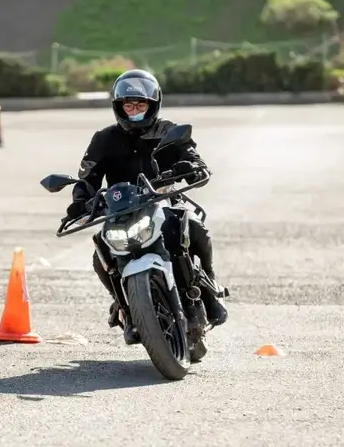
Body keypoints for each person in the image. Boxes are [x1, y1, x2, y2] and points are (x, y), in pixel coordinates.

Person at [64, 69, 228, 345]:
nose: (135, 110)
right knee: (101, 253)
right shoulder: (104, 139)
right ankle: (125, 308)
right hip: (122, 210)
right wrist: (80, 201)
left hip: (164, 201)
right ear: (119, 107)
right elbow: (87, 176)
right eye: (129, 105)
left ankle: (209, 289)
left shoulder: (169, 130)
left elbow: (190, 154)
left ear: (153, 105)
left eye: (141, 105)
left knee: (195, 227)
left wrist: (194, 167)